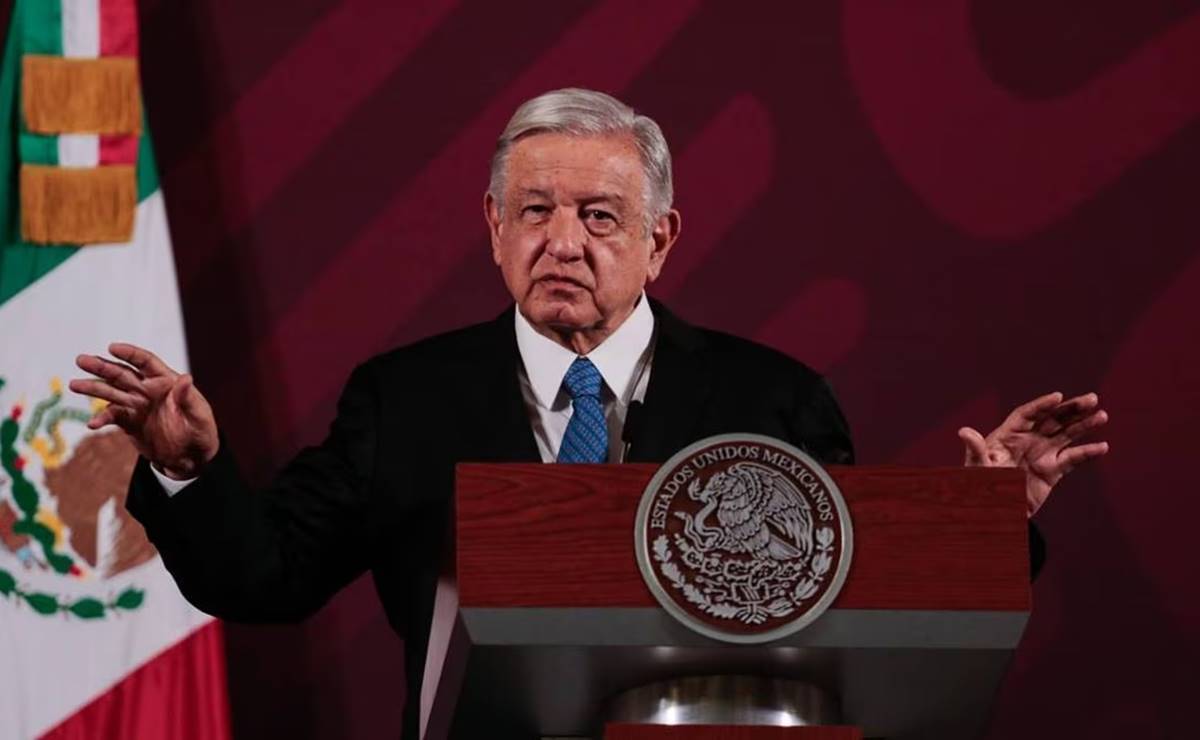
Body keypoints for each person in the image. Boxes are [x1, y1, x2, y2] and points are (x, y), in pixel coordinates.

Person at [69, 88, 1109, 737]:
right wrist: (190, 472)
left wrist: (984, 522)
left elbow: (849, 594)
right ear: (492, 228)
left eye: (599, 215)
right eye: (535, 211)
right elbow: (264, 576)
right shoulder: (406, 396)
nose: (562, 240)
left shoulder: (770, 396)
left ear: (660, 240)